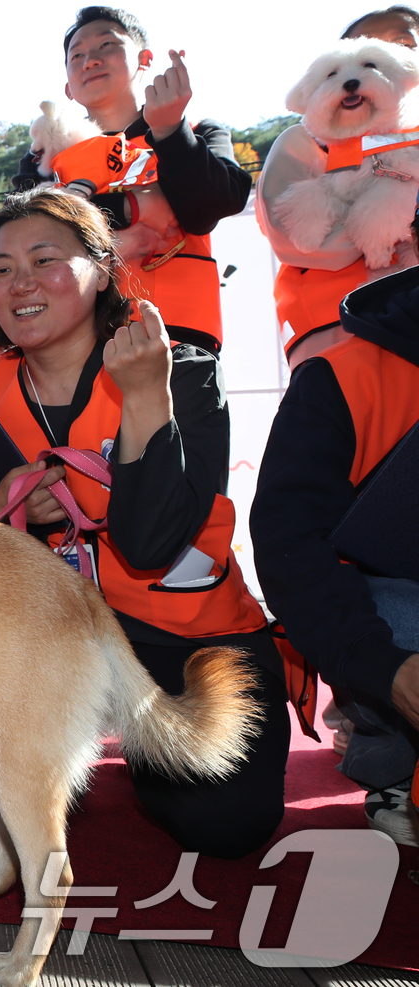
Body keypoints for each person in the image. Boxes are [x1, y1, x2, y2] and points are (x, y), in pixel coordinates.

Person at [0, 188, 289, 858]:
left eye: (45, 259)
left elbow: (151, 542)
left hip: (181, 636)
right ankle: (38, 744)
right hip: (49, 640)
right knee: (0, 781)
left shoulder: (182, 371)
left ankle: (121, 753)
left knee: (225, 828)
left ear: (101, 269)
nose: (20, 282)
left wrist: (142, 399)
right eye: (0, 267)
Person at [251, 207, 419, 847]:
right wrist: (383, 669)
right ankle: (389, 752)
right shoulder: (340, 379)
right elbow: (291, 550)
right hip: (396, 618)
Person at [17, 6, 250, 355]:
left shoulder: (197, 133)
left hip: (180, 341)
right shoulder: (45, 157)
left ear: (144, 58)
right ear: (68, 87)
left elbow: (212, 207)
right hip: (73, 345)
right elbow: (26, 232)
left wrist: (171, 132)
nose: (90, 60)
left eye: (106, 46)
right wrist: (136, 206)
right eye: (76, 54)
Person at [256, 7, 419, 368]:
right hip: (333, 327)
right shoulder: (303, 141)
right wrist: (385, 223)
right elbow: (296, 239)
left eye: (404, 45)